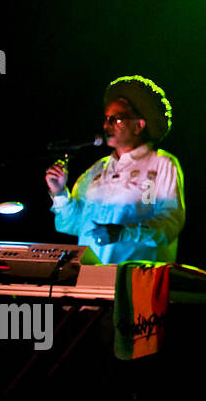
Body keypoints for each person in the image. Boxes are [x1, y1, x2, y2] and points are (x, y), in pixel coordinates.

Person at [45, 75, 184, 265]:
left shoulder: (160, 164)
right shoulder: (98, 169)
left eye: (117, 120)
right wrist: (59, 192)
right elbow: (72, 224)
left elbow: (169, 223)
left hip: (135, 281)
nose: (106, 126)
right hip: (89, 280)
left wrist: (124, 233)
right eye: (106, 119)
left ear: (139, 125)